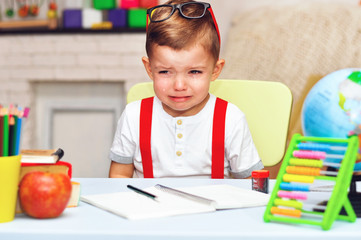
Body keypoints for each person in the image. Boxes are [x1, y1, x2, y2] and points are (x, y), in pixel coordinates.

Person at [108, 0, 263, 178]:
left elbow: (251, 185)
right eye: (165, 71)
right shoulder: (133, 116)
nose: (179, 86)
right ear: (150, 69)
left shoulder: (231, 118)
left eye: (194, 71)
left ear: (215, 70)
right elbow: (118, 179)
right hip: (151, 205)